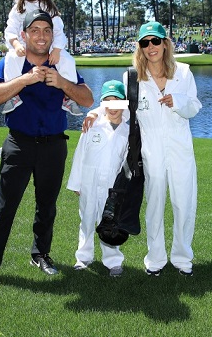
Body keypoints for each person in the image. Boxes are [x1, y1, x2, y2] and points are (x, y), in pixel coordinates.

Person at [0, 9, 94, 293]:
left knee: (47, 207)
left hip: (53, 145)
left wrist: (62, 83)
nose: (41, 36)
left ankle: (40, 254)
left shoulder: (62, 64)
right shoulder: (12, 62)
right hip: (19, 144)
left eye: (47, 30)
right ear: (24, 35)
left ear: (53, 36)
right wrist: (25, 80)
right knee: (4, 209)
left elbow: (87, 98)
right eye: (35, 30)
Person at [84, 21, 201, 277]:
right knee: (154, 205)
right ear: (140, 47)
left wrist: (177, 101)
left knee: (184, 203)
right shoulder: (132, 77)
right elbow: (118, 106)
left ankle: (182, 258)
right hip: (150, 150)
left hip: (181, 147)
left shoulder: (183, 72)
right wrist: (94, 112)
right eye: (145, 42)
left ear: (165, 44)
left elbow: (194, 106)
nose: (151, 47)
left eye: (155, 41)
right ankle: (155, 259)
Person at [67, 80, 130, 277]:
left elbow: (126, 164)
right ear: (102, 104)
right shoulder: (92, 125)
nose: (112, 106)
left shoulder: (128, 131)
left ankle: (113, 261)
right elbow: (80, 154)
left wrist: (124, 189)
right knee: (86, 219)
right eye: (107, 101)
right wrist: (77, 182)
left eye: (117, 101)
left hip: (112, 185)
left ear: (125, 103)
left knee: (110, 220)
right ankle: (83, 257)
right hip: (89, 180)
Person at [1, 0, 81, 115]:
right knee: (11, 58)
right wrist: (16, 44)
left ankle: (68, 98)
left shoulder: (50, 8)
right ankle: (13, 95)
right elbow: (10, 30)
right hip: (23, 47)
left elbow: (58, 32)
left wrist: (57, 50)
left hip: (49, 46)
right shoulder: (19, 8)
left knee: (68, 60)